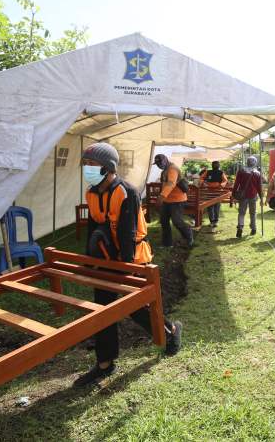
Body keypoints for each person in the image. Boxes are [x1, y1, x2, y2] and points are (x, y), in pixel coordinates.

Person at [74, 143, 182, 387]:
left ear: (107, 168)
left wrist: (122, 270)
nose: (87, 169)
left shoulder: (126, 193)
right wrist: (92, 261)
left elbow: (127, 234)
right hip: (107, 258)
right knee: (102, 309)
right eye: (86, 165)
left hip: (132, 258)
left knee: (136, 307)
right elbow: (94, 229)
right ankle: (104, 363)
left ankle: (171, 331)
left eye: (92, 164)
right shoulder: (91, 193)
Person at [153, 154, 193, 248]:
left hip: (177, 200)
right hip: (167, 200)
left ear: (166, 160)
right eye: (157, 164)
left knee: (177, 221)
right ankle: (167, 243)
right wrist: (160, 195)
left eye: (160, 162)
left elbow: (171, 183)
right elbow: (164, 184)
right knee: (164, 221)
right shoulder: (164, 171)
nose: (159, 165)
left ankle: (188, 237)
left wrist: (161, 197)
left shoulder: (172, 169)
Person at [232, 155, 263, 238]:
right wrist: (261, 197)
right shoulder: (257, 173)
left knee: (241, 213)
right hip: (253, 196)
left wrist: (233, 194)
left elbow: (236, 184)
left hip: (243, 195)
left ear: (247, 162)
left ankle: (240, 227)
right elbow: (259, 187)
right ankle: (253, 228)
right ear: (255, 163)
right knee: (253, 213)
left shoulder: (241, 171)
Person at [199, 160, 228, 228]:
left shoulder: (221, 172)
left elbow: (225, 180)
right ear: (212, 165)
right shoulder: (208, 172)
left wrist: (221, 185)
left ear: (218, 166)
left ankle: (215, 221)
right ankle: (212, 221)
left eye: (216, 164)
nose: (215, 166)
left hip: (218, 191)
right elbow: (201, 178)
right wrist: (203, 183)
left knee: (216, 207)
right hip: (209, 191)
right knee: (210, 206)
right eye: (214, 164)